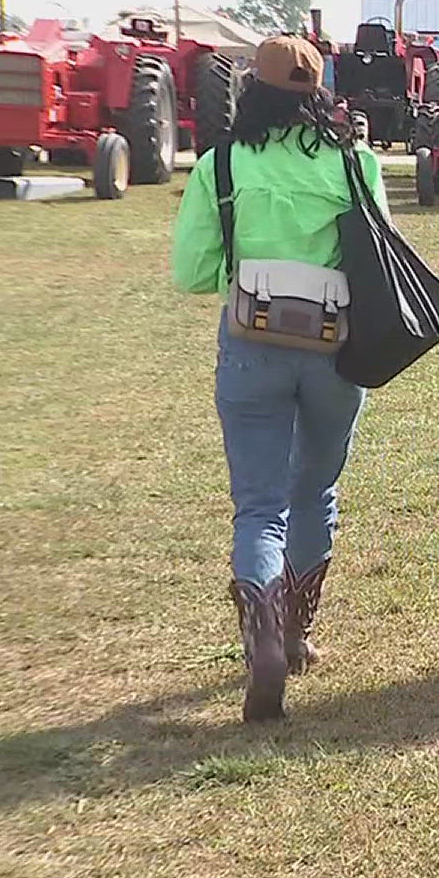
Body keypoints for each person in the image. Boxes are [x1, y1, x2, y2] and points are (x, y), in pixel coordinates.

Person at [170, 35, 387, 722]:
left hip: (250, 346)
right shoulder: (355, 163)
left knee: (259, 505)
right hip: (333, 351)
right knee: (315, 488)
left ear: (250, 90)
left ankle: (261, 637)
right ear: (320, 92)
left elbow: (193, 272)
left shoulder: (221, 164)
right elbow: (377, 256)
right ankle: (296, 632)